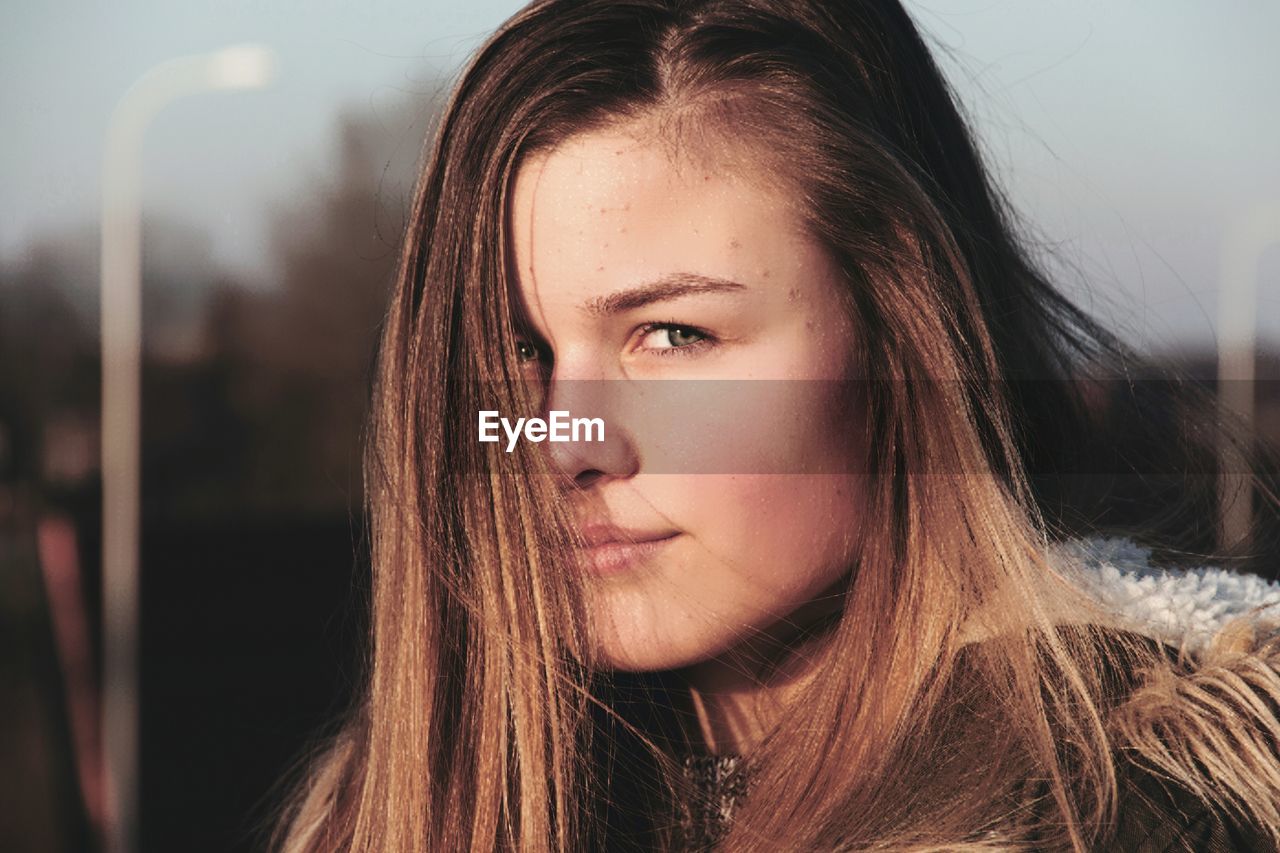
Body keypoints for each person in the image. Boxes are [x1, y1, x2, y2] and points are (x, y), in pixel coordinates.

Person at [271, 1, 1280, 849]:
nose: (566, 443)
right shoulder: (400, 808)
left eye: (670, 335)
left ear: (902, 337)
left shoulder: (1131, 805)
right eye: (520, 352)